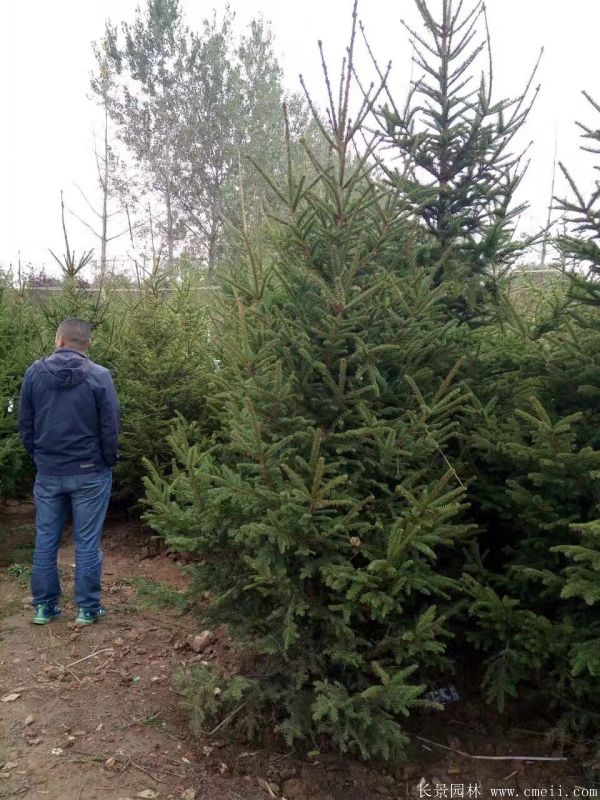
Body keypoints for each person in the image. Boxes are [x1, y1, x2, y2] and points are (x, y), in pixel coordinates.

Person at [18, 318, 120, 625]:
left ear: (60, 340)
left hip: (49, 472)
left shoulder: (34, 373)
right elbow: (110, 427)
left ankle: (44, 607)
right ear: (87, 345)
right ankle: (87, 609)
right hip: (90, 472)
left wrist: (41, 458)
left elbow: (26, 425)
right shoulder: (100, 376)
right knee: (87, 541)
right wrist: (107, 461)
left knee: (45, 540)